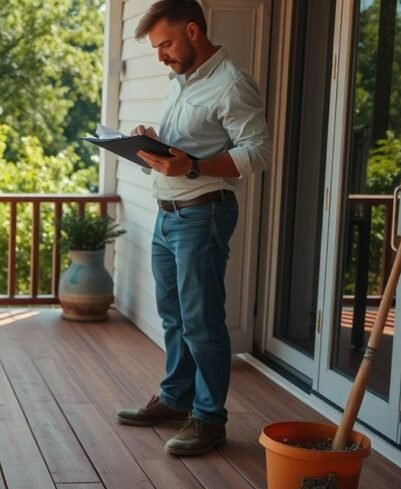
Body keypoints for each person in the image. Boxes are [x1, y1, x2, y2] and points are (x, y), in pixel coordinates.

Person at [114, 0, 271, 456]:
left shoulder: (231, 83)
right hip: (168, 213)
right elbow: (185, 151)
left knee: (201, 322)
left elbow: (258, 152)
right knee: (174, 316)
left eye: (165, 45)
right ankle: (176, 399)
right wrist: (155, 145)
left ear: (193, 31)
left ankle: (209, 419)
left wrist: (194, 165)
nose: (160, 56)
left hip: (203, 214)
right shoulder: (181, 82)